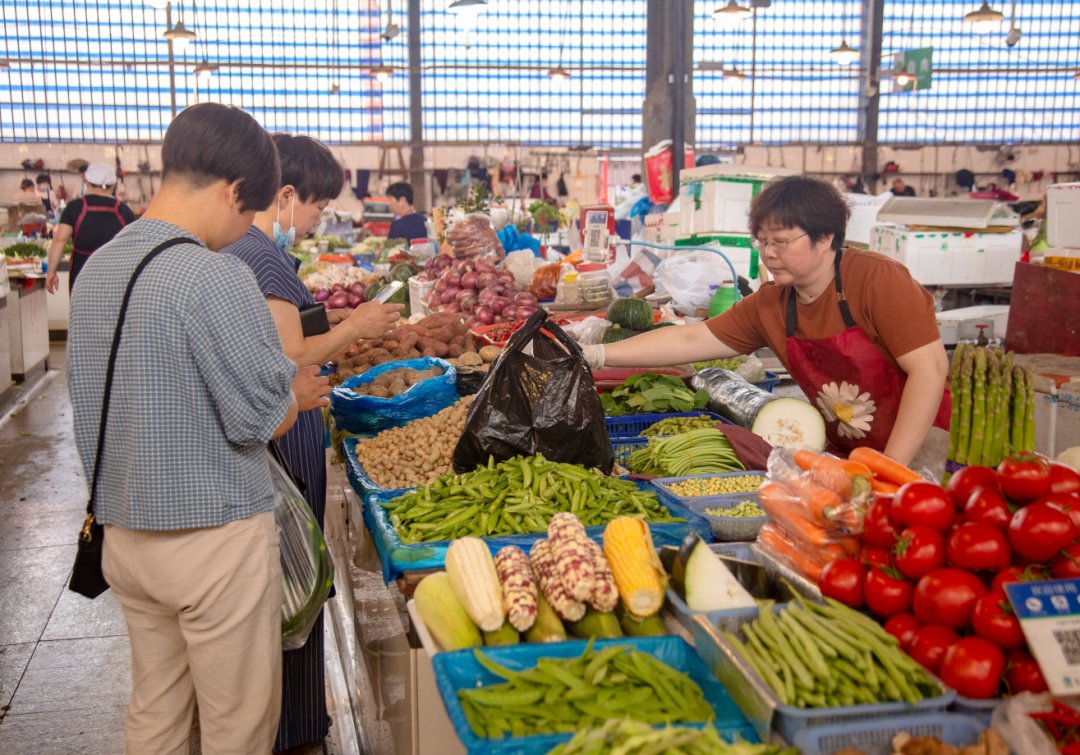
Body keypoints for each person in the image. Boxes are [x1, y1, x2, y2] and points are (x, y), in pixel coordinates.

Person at [67, 102, 331, 754]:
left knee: (157, 712)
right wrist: (292, 392)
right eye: (248, 213)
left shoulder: (97, 268)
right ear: (234, 190)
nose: (244, 228)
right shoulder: (216, 275)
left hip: (125, 536)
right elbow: (260, 417)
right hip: (211, 540)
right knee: (236, 727)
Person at [222, 132, 402, 752]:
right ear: (287, 194)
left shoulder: (242, 250)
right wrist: (357, 324)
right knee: (297, 584)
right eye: (319, 207)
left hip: (283, 424)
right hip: (283, 430)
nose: (319, 220)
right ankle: (295, 731)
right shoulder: (261, 254)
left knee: (291, 587)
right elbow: (289, 353)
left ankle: (293, 724)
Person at [583, 175, 950, 467]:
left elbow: (929, 370)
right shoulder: (772, 304)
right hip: (847, 448)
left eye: (781, 241)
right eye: (761, 242)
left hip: (916, 446)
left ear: (825, 238)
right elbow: (691, 341)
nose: (769, 253)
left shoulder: (876, 280)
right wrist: (597, 354)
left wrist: (892, 468)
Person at [45, 163, 136, 295]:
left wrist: (51, 272)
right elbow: (134, 246)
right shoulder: (124, 210)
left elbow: (60, 239)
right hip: (117, 276)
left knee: (81, 313)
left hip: (82, 273)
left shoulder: (74, 208)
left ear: (87, 182)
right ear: (113, 185)